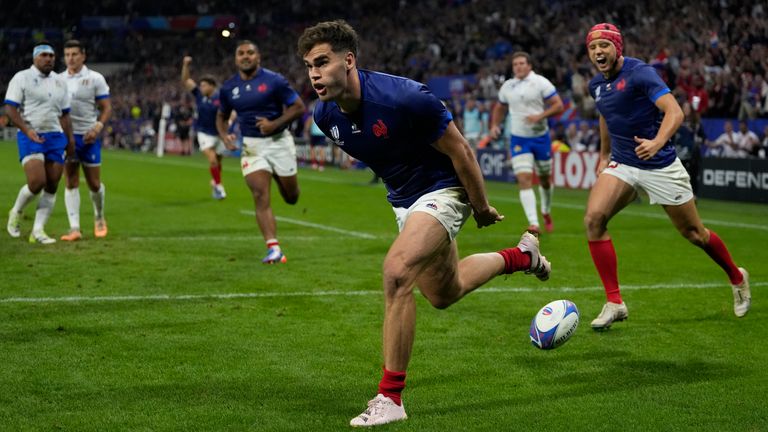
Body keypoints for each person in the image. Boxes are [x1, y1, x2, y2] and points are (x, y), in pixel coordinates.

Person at [298, 20, 551, 427]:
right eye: (309, 64)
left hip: (446, 188)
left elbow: (462, 151)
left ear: (348, 61)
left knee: (397, 273)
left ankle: (390, 397)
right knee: (444, 293)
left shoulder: (405, 98)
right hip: (405, 201)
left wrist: (481, 207)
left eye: (322, 62)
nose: (313, 73)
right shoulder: (325, 116)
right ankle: (522, 256)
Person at [583, 23, 750, 330]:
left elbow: (674, 111)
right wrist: (604, 155)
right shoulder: (596, 84)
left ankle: (737, 277)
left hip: (660, 165)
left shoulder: (640, 73)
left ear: (617, 47)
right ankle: (614, 302)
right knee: (594, 220)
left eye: (604, 45)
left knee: (694, 234)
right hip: (623, 163)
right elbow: (606, 115)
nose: (598, 52)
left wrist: (658, 142)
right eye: (593, 48)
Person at [216, 40, 305, 264]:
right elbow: (221, 116)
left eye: (250, 53)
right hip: (252, 147)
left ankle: (278, 175)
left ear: (258, 57)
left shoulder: (274, 80)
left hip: (279, 143)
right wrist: (224, 135)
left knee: (291, 197)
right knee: (259, 194)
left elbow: (298, 107)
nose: (245, 56)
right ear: (236, 59)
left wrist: (275, 124)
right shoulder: (228, 88)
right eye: (241, 53)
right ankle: (273, 248)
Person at [5, 41, 75, 244]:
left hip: (55, 135)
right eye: (44, 55)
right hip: (31, 134)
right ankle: (16, 211)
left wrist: (70, 140)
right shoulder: (22, 77)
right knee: (37, 182)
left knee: (52, 184)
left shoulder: (60, 81)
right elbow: (10, 109)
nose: (49, 59)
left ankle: (38, 230)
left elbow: (65, 115)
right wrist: (27, 130)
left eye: (52, 56)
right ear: (35, 58)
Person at [489, 52, 564, 234]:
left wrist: (540, 116)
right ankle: (534, 223)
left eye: (522, 63)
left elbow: (558, 105)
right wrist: (494, 125)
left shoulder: (540, 82)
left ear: (529, 65)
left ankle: (546, 210)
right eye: (515, 64)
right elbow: (500, 106)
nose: (519, 67)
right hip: (519, 139)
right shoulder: (508, 86)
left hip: (540, 138)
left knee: (545, 180)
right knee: (524, 179)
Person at [60, 39, 112, 241]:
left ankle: (99, 217)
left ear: (83, 55)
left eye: (74, 54)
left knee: (94, 184)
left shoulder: (95, 78)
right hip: (67, 138)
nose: (70, 58)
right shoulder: (58, 79)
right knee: (70, 180)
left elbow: (106, 107)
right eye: (67, 55)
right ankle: (74, 228)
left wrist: (98, 127)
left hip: (88, 137)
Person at [181, 56, 227, 199]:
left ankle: (215, 182)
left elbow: (230, 113)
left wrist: (228, 126)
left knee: (218, 161)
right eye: (200, 85)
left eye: (204, 85)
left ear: (212, 86)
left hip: (219, 133)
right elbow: (186, 81)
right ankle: (219, 186)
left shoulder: (222, 97)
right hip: (203, 133)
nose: (201, 88)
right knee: (212, 159)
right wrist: (185, 65)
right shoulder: (200, 95)